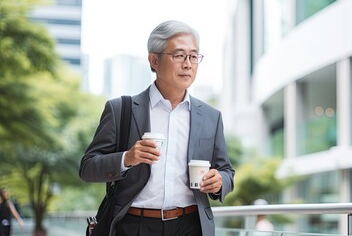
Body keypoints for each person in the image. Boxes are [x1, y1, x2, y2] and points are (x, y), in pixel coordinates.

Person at [79, 20, 235, 236]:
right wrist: (127, 158)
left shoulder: (211, 116)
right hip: (135, 225)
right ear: (154, 60)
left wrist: (219, 182)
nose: (188, 64)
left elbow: (226, 171)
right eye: (179, 55)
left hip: (190, 226)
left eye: (193, 56)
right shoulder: (121, 109)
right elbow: (87, 167)